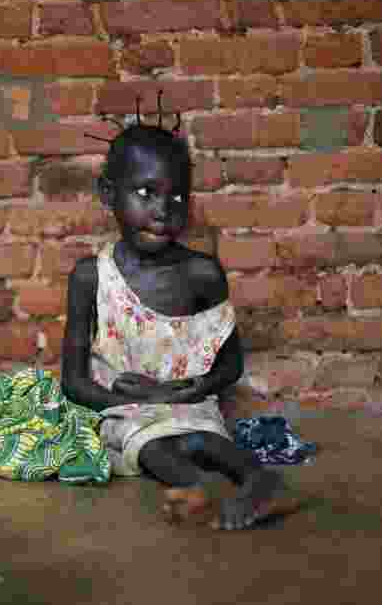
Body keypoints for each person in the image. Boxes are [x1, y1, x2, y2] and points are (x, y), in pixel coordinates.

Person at [60, 93, 293, 530]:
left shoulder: (202, 274)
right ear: (109, 194)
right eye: (146, 192)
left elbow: (231, 365)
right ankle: (191, 489)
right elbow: (73, 381)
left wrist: (185, 391)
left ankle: (258, 478)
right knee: (151, 445)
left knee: (201, 436)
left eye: (179, 197)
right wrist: (131, 399)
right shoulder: (91, 277)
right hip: (122, 409)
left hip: (186, 401)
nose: (164, 211)